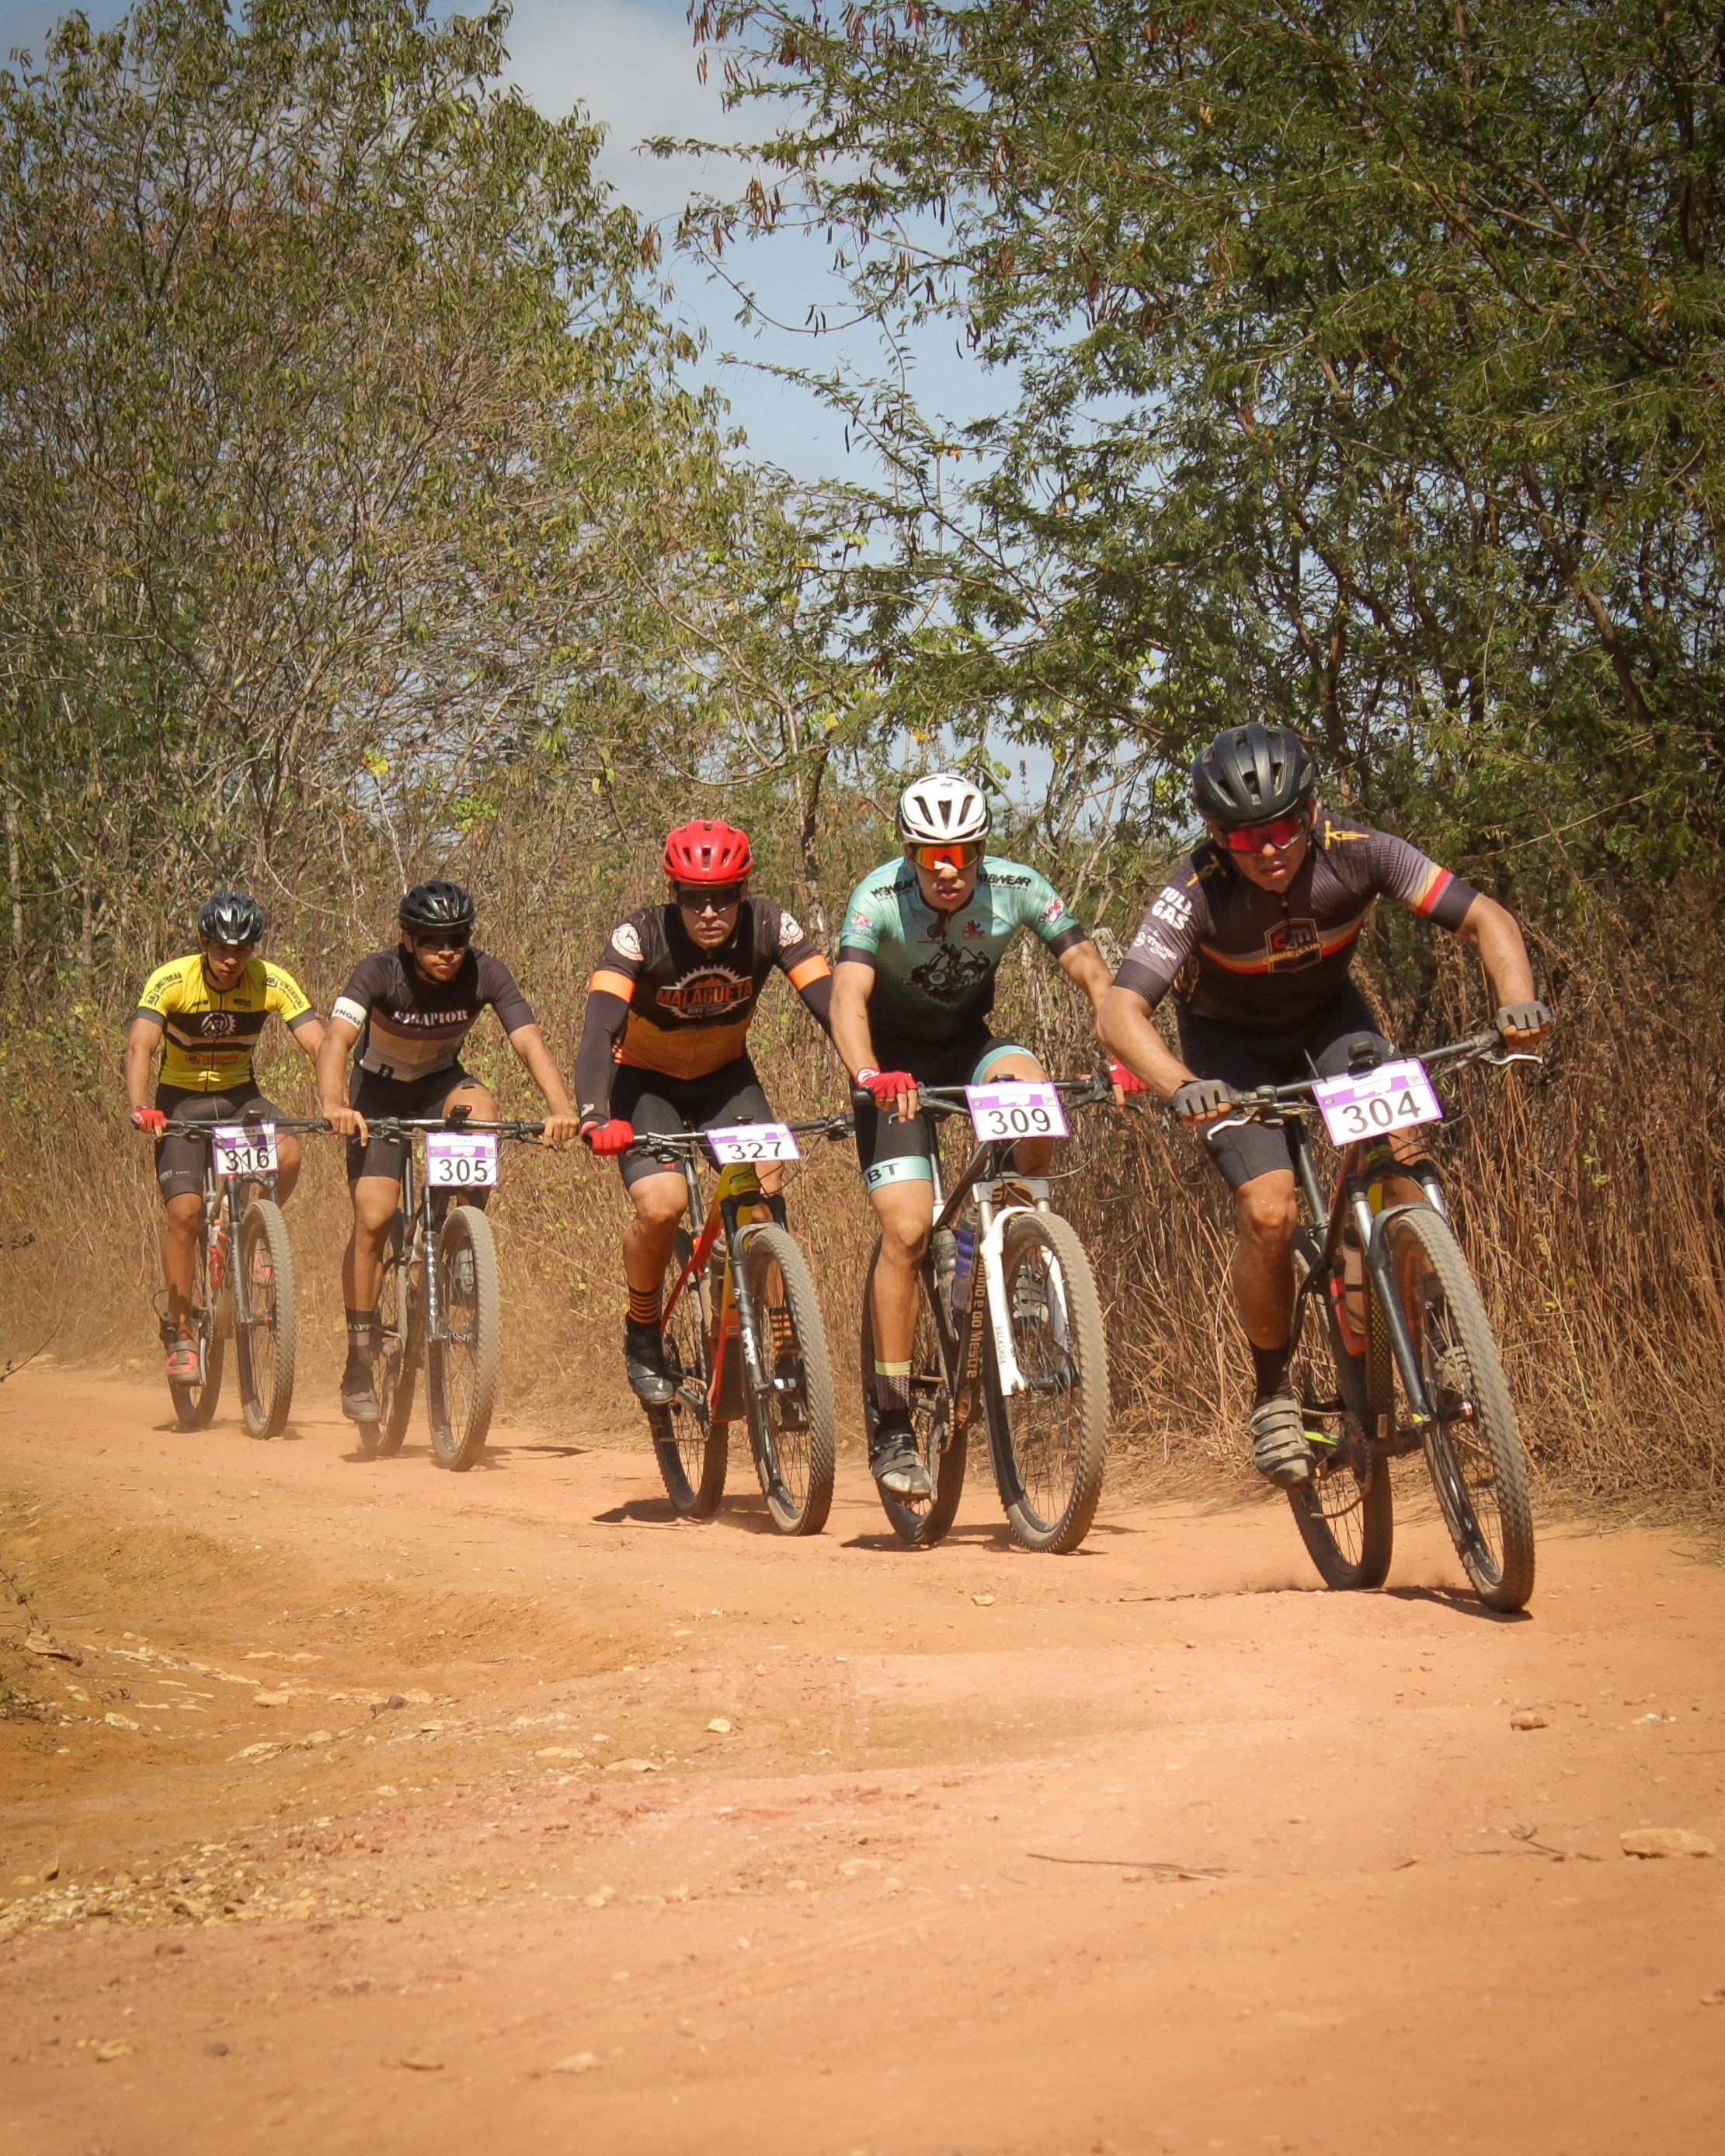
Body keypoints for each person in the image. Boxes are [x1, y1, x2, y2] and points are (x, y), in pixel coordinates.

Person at [1099, 722, 1551, 1489]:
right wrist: (1181, 1085)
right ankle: (1272, 1391)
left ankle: (1435, 1326)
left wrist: (1517, 1005)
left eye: (1282, 826)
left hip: (1330, 1024)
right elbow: (1118, 1012)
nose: (1269, 848)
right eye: (1245, 838)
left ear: (1311, 811)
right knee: (1270, 1212)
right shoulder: (1194, 890)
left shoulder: (1361, 848)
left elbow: (1486, 918)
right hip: (1225, 1050)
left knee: (1400, 1154)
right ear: (1216, 835)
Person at [831, 772, 1120, 1499]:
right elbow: (847, 995)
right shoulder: (877, 897)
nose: (950, 870)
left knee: (1036, 1093)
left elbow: (1089, 969)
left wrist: (1122, 1047)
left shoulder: (1017, 884)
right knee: (904, 1233)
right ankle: (893, 1424)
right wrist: (868, 1074)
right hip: (892, 1070)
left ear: (982, 849)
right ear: (910, 854)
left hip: (967, 1049)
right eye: (933, 856)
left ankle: (1018, 1254)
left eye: (963, 852)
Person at [573, 819, 836, 1405]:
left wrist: (868, 1076)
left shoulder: (771, 925)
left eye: (724, 897)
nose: (710, 912)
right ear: (675, 896)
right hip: (646, 1087)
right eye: (695, 899)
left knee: (763, 1197)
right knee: (661, 1206)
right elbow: (597, 1030)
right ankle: (642, 1330)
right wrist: (593, 1115)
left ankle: (787, 1344)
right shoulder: (637, 937)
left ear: (744, 894)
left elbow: (833, 1005)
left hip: (725, 1082)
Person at [318, 880, 579, 1422]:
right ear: (408, 940)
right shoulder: (378, 971)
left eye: (458, 940)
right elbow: (337, 1039)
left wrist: (562, 1108)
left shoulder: (486, 972)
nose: (448, 952)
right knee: (373, 1218)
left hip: (440, 1082)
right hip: (380, 1093)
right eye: (435, 941)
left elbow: (528, 1040)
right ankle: (359, 1360)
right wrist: (333, 1101)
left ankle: (460, 1237)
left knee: (481, 1114)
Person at [124, 891, 325, 1382]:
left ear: (255, 947)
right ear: (204, 943)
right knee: (185, 1213)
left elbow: (320, 1043)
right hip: (180, 1104)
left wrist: (336, 1098)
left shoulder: (271, 981)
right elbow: (140, 1044)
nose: (231, 959)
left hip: (240, 1097)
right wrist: (140, 1105)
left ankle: (254, 1234)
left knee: (289, 1153)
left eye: (242, 948)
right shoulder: (171, 979)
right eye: (220, 948)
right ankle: (181, 1333)